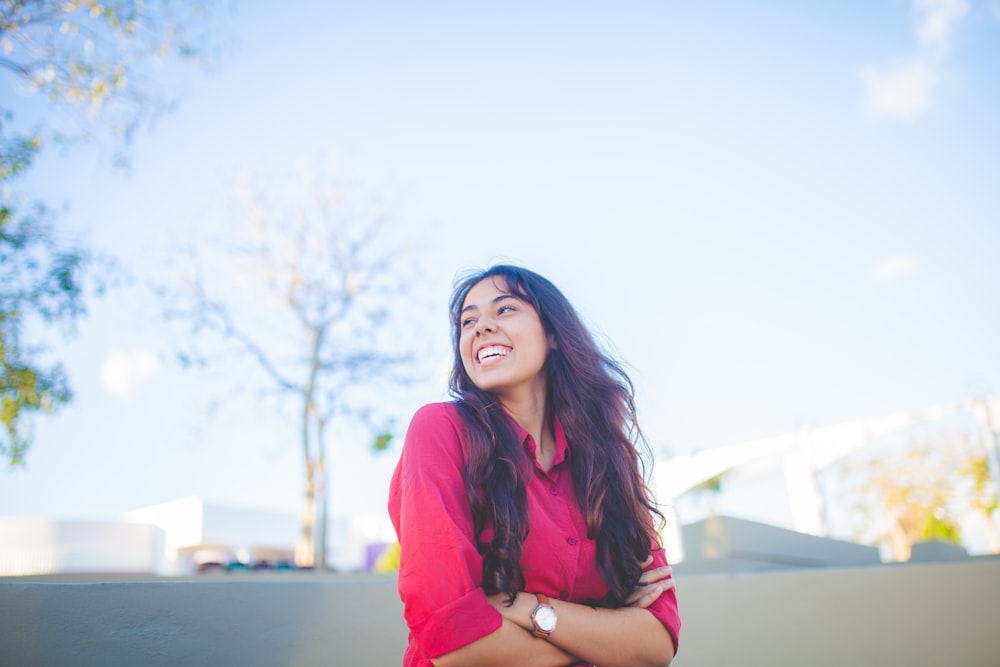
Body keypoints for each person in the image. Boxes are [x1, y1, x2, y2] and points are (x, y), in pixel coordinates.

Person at [388, 265, 680, 667]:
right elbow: (456, 643)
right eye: (468, 321)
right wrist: (603, 636)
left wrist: (524, 609)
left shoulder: (611, 460)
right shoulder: (440, 430)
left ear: (554, 333)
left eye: (504, 310)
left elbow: (657, 643)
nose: (480, 328)